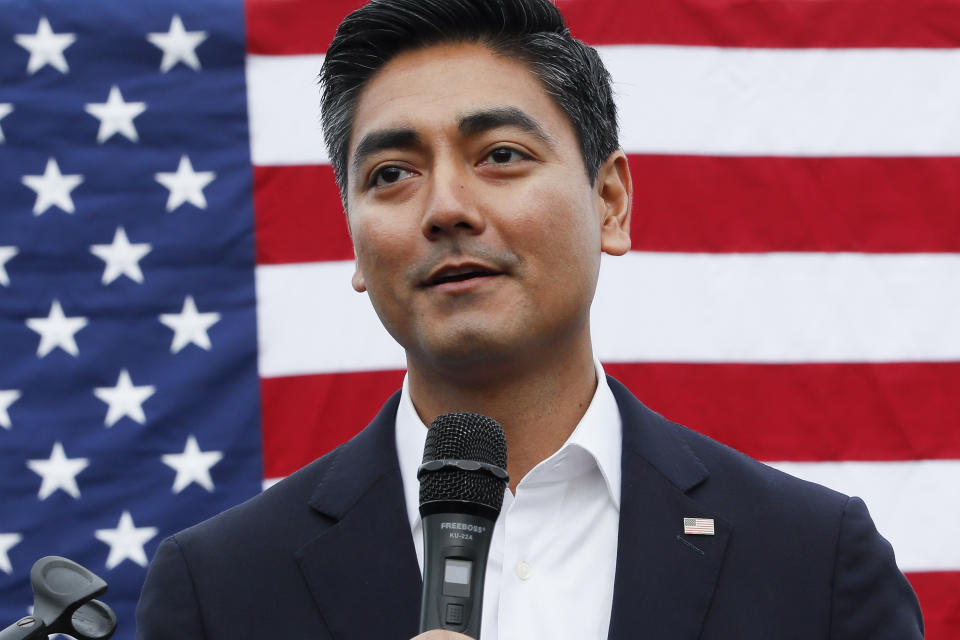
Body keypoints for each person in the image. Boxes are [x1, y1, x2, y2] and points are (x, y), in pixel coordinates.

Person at [135, 1, 924, 638]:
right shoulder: (221, 587)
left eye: (501, 155)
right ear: (351, 236)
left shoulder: (811, 560)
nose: (446, 208)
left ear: (609, 202)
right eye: (392, 174)